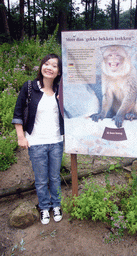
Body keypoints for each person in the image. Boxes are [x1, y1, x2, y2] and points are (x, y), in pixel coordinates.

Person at [12, 54, 64, 225]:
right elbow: (18, 113)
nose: (49, 68)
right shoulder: (29, 87)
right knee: (41, 179)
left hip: (56, 141)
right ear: (41, 67)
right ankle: (44, 207)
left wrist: (63, 101)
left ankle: (56, 205)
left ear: (58, 72)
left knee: (55, 177)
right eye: (46, 64)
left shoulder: (60, 91)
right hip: (36, 142)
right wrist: (21, 137)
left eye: (54, 66)